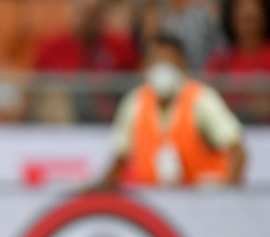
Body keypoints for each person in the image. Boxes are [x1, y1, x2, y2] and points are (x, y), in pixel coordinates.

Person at [96, 34, 245, 188]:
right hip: (151, 198)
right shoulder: (134, 101)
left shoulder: (201, 98)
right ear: (146, 66)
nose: (163, 68)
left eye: (169, 61)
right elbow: (120, 159)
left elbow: (237, 151)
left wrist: (227, 192)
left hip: (201, 199)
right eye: (157, 61)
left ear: (183, 65)